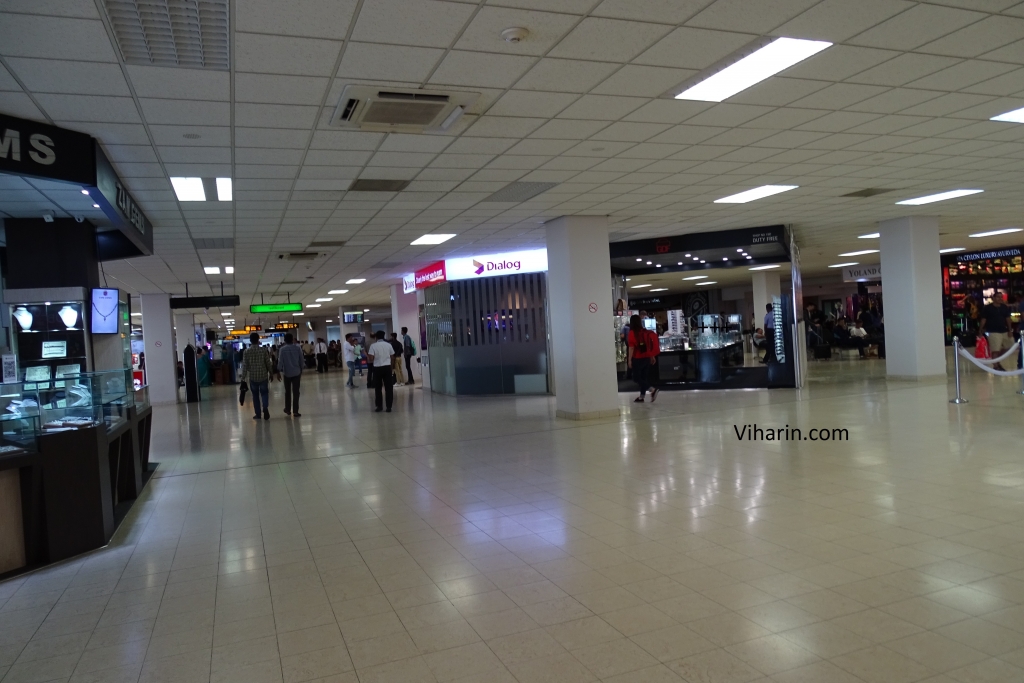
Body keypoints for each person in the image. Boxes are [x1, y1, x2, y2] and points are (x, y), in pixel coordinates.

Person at [626, 314, 660, 403]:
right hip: (647, 357)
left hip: (638, 358)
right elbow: (648, 346)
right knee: (644, 378)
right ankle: (641, 397)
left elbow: (631, 347)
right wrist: (652, 356)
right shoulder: (644, 332)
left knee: (636, 378)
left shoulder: (632, 333)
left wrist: (629, 360)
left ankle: (652, 389)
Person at [241, 333, 273, 420]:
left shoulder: (246, 352)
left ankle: (258, 414)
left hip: (253, 377)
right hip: (263, 376)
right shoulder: (263, 350)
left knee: (255, 396)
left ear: (250, 340)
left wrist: (243, 378)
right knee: (264, 393)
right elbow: (268, 362)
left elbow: (245, 366)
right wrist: (271, 372)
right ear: (258, 339)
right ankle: (265, 408)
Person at [980, 292, 1013, 370]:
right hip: (993, 331)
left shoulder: (1004, 307)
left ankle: (997, 360)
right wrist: (980, 330)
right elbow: (983, 319)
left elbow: (1008, 319)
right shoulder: (987, 308)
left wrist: (1010, 330)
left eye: (1001, 297)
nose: (1000, 298)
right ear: (993, 298)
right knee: (995, 349)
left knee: (1009, 346)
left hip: (1004, 330)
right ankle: (996, 366)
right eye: (998, 297)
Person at [367, 331, 395, 412]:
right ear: (384, 336)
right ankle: (389, 407)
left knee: (378, 388)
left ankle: (379, 406)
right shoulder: (389, 345)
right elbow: (392, 357)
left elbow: (371, 359)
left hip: (377, 368)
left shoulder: (373, 346)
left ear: (376, 337)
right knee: (389, 388)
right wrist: (391, 367)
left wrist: (367, 354)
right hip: (387, 367)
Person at [277, 333, 303, 417]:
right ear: (292, 339)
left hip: (287, 373)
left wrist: (278, 371)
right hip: (296, 372)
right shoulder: (297, 348)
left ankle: (287, 409)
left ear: (284, 340)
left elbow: (280, 361)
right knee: (296, 392)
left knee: (287, 392)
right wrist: (301, 370)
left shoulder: (282, 349)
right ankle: (295, 411)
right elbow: (301, 360)